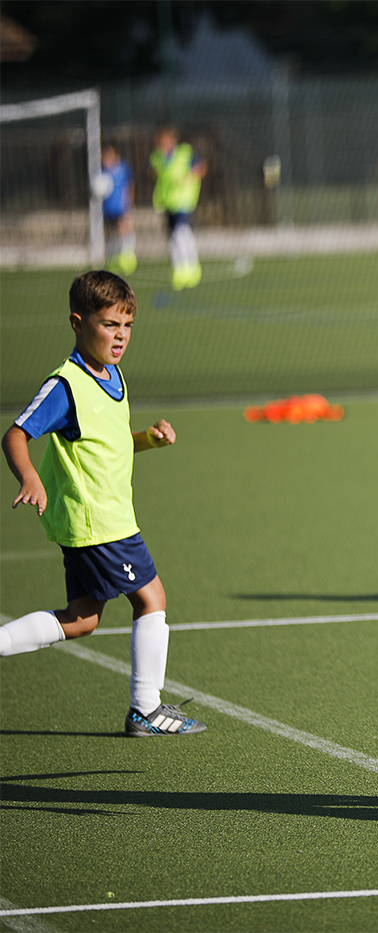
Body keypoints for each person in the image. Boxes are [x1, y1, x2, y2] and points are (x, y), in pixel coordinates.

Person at [1, 271, 205, 737]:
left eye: (127, 326)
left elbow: (109, 442)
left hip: (99, 522)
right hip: (101, 524)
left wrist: (148, 441)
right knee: (152, 599)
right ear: (78, 322)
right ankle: (145, 710)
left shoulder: (112, 375)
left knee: (82, 619)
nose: (120, 336)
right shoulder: (66, 386)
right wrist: (29, 476)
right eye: (110, 324)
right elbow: (15, 434)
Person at [150, 127, 205, 290]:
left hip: (184, 202)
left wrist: (188, 177)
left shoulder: (185, 153)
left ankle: (191, 267)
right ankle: (179, 269)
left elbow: (201, 167)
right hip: (167, 203)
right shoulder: (157, 157)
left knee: (182, 234)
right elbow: (154, 174)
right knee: (173, 237)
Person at [97, 142, 136, 275]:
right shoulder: (101, 171)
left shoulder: (123, 168)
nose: (106, 158)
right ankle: (113, 258)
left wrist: (130, 202)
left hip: (121, 206)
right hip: (107, 208)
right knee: (111, 234)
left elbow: (130, 184)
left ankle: (128, 257)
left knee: (125, 229)